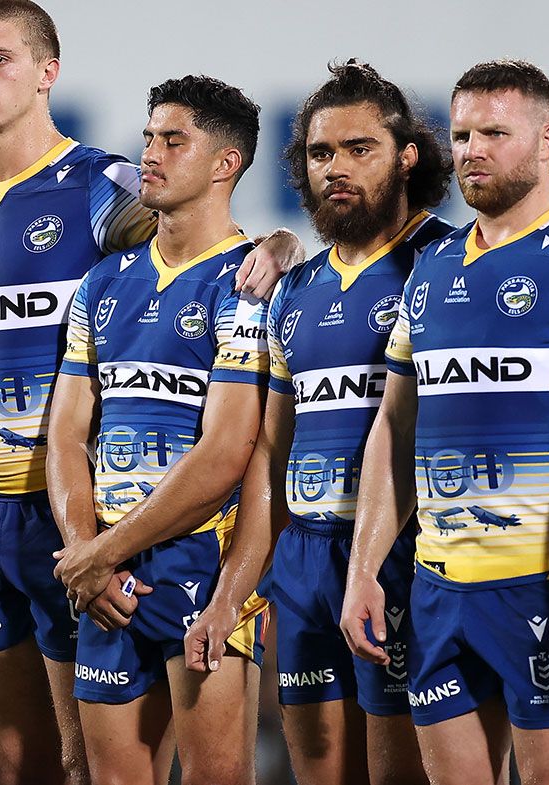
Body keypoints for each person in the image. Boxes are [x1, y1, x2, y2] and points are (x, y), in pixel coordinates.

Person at [0, 5, 303, 780]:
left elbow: (202, 239)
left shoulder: (100, 183)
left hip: (93, 515)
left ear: (47, 72)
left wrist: (283, 246)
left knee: (82, 761)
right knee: (23, 765)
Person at [342, 59, 549, 785]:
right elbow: (396, 428)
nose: (472, 149)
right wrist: (364, 568)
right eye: (464, 133)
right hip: (439, 588)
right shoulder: (432, 268)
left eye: (495, 133)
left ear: (548, 140)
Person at [182, 59, 453, 785]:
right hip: (303, 566)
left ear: (407, 155)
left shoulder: (452, 264)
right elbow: (270, 454)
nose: (337, 167)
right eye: (320, 152)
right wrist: (233, 593)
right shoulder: (292, 288)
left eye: (360, 149)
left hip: (406, 555)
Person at [49, 75, 269, 785]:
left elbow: (225, 454)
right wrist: (86, 551)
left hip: (200, 563)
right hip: (107, 572)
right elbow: (65, 435)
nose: (150, 153)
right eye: (149, 137)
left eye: (174, 141)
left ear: (224, 164)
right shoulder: (102, 284)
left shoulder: (251, 282)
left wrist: (102, 550)